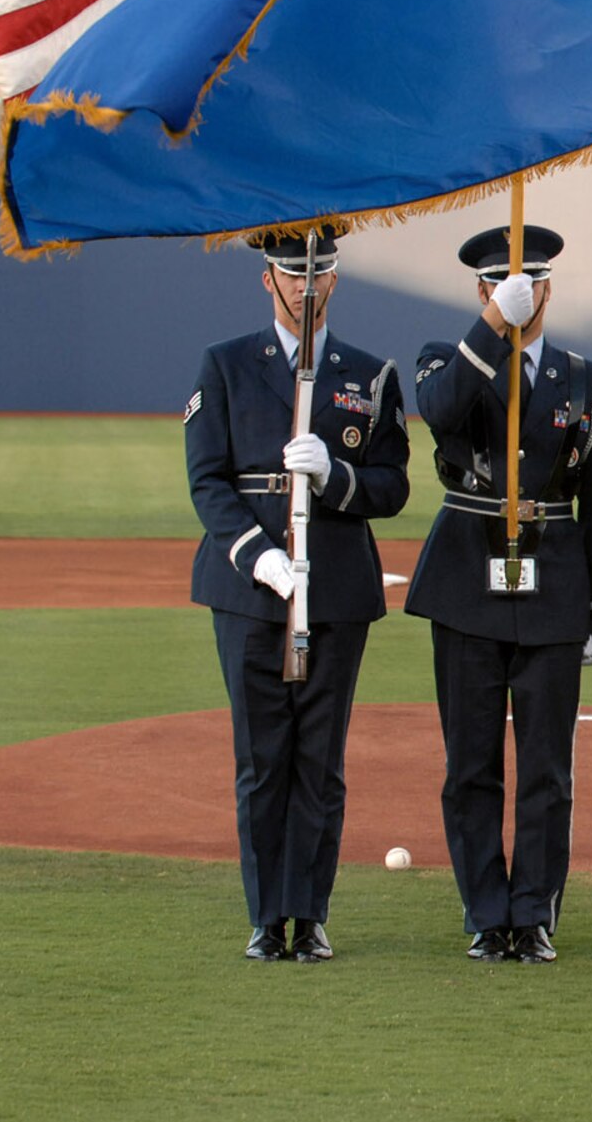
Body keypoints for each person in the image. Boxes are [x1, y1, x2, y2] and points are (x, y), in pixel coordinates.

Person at [184, 225, 411, 964]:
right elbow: (208, 481)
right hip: (250, 589)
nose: (305, 287)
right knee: (261, 759)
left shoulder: (368, 375)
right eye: (292, 274)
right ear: (269, 280)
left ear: (334, 280)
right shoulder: (226, 365)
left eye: (317, 275)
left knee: (319, 759)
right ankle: (265, 916)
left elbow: (392, 486)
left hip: (336, 586)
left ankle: (309, 914)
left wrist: (334, 476)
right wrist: (261, 557)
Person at [404, 225, 592, 964]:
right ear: (482, 289)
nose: (523, 293)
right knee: (470, 763)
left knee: (546, 767)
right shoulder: (447, 357)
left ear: (550, 289)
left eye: (530, 284)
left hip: (554, 581)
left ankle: (533, 913)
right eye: (502, 284)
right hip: (465, 580)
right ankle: (484, 911)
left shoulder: (587, 380)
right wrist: (496, 324)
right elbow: (441, 411)